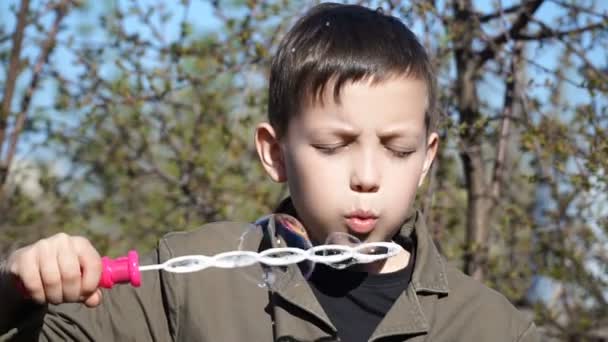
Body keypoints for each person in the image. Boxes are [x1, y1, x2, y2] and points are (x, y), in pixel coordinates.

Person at [0, 3, 540, 341]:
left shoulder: (492, 327)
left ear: (427, 158)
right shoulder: (192, 287)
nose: (368, 177)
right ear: (274, 152)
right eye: (334, 145)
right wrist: (18, 285)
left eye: (398, 149)